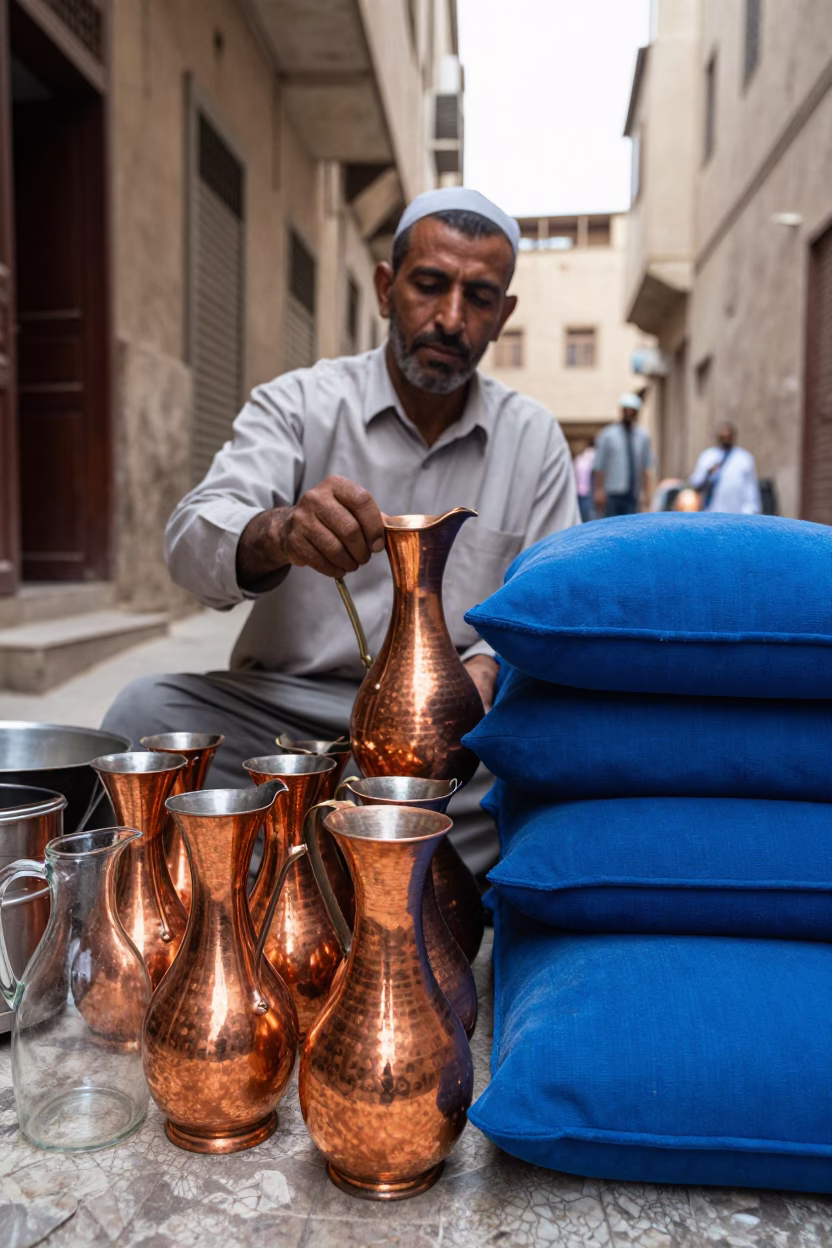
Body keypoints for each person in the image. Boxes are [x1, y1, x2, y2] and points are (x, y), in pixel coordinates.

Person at [101, 187, 579, 876]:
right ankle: (365, 860)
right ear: (386, 289)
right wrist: (278, 532)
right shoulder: (300, 404)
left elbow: (553, 602)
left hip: (456, 732)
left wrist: (482, 674)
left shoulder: (532, 438)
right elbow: (191, 537)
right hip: (293, 713)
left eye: (478, 298)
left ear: (503, 316)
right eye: (429, 286)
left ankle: (299, 853)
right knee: (144, 713)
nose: (450, 318)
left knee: (558, 773)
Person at [593, 393, 653, 518]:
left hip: (633, 493)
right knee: (611, 527)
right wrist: (598, 490)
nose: (629, 414)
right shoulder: (608, 435)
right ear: (622, 411)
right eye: (627, 411)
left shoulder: (642, 437)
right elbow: (599, 465)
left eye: (633, 411)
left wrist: (647, 494)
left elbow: (646, 467)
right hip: (612, 492)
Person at [689, 421, 761, 514]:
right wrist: (708, 473)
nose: (726, 438)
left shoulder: (744, 459)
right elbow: (695, 484)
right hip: (711, 513)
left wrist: (750, 511)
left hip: (737, 514)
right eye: (723, 435)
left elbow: (750, 489)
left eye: (728, 435)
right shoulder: (707, 457)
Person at [572, 439, 595, 522]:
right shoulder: (594, 456)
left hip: (579, 491)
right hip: (589, 491)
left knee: (582, 516)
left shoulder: (579, 459)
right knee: (591, 516)